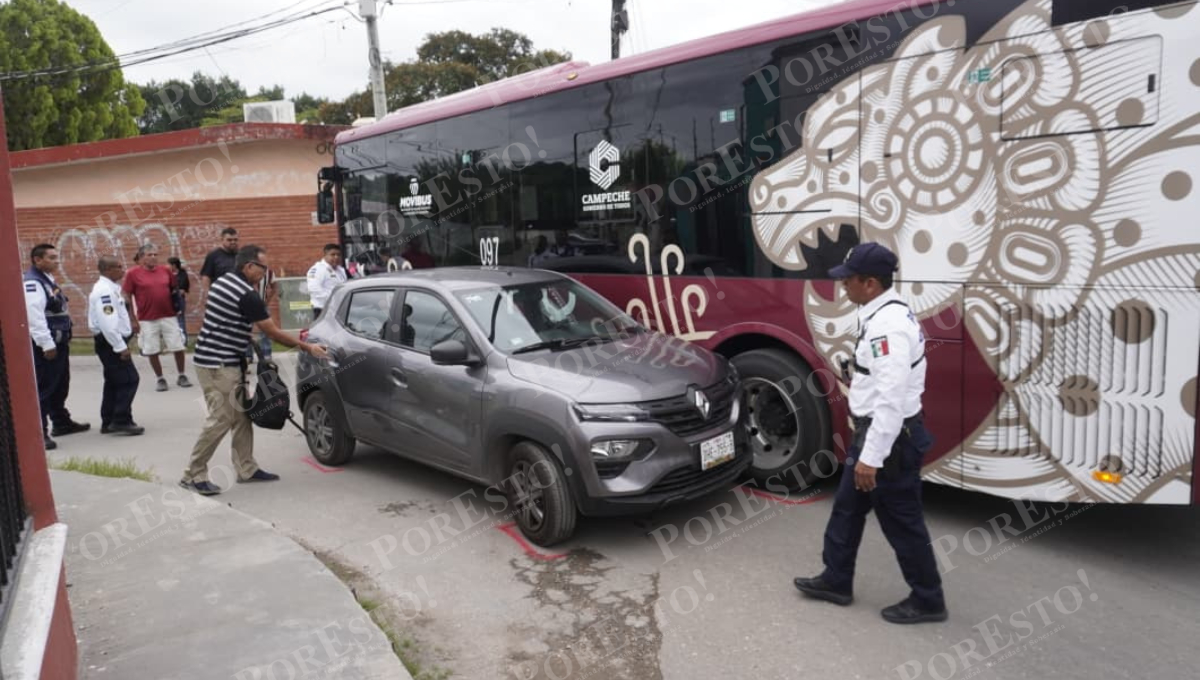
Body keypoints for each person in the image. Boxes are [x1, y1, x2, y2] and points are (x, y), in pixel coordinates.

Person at [793, 242, 947, 624]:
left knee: (902, 523)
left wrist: (871, 458)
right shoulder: (881, 314)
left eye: (849, 280)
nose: (843, 286)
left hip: (889, 443)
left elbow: (891, 401)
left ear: (870, 283)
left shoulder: (887, 328)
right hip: (876, 435)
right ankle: (836, 580)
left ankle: (928, 600)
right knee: (847, 509)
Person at [181, 245, 328, 495]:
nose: (265, 274)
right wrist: (308, 347)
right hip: (218, 365)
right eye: (263, 268)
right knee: (221, 419)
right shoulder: (246, 294)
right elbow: (272, 332)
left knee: (241, 418)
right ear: (249, 266)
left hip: (220, 360)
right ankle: (192, 474)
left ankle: (246, 468)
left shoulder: (223, 281)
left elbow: (228, 319)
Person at [23, 244, 90, 450]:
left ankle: (61, 422)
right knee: (45, 388)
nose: (56, 261)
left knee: (60, 384)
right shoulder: (33, 283)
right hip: (47, 346)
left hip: (58, 342)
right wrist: (46, 344)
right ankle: (39, 433)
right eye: (51, 257)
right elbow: (34, 317)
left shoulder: (47, 279)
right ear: (37, 260)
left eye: (56, 256)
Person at [123, 244, 193, 392]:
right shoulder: (132, 274)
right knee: (152, 349)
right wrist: (132, 319)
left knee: (178, 346)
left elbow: (174, 289)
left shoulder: (165, 271)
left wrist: (178, 305)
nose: (153, 257)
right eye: (150, 255)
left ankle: (182, 375)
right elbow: (127, 296)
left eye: (155, 254)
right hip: (147, 318)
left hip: (169, 315)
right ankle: (160, 378)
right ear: (142, 257)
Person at [87, 257, 143, 436]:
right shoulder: (104, 291)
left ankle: (109, 420)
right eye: (118, 267)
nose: (123, 269)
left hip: (113, 340)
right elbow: (107, 323)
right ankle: (121, 420)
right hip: (110, 342)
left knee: (113, 381)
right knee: (129, 379)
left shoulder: (112, 288)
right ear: (107, 270)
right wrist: (120, 346)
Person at [305, 243, 347, 320]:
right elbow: (314, 289)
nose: (336, 257)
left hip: (339, 309)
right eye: (333, 255)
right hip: (323, 310)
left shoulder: (341, 270)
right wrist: (333, 300)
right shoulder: (318, 269)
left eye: (338, 255)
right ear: (325, 255)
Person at [199, 227, 239, 296]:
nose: (233, 242)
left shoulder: (241, 255)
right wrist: (208, 295)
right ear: (222, 239)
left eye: (235, 240)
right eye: (229, 240)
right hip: (219, 295)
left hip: (238, 295)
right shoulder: (213, 255)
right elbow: (206, 277)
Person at [167, 256, 190, 344]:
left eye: (169, 264)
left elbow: (184, 287)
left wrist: (177, 291)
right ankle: (173, 341)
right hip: (169, 299)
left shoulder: (182, 274)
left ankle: (183, 341)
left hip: (179, 299)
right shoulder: (168, 274)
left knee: (180, 319)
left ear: (174, 265)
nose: (167, 266)